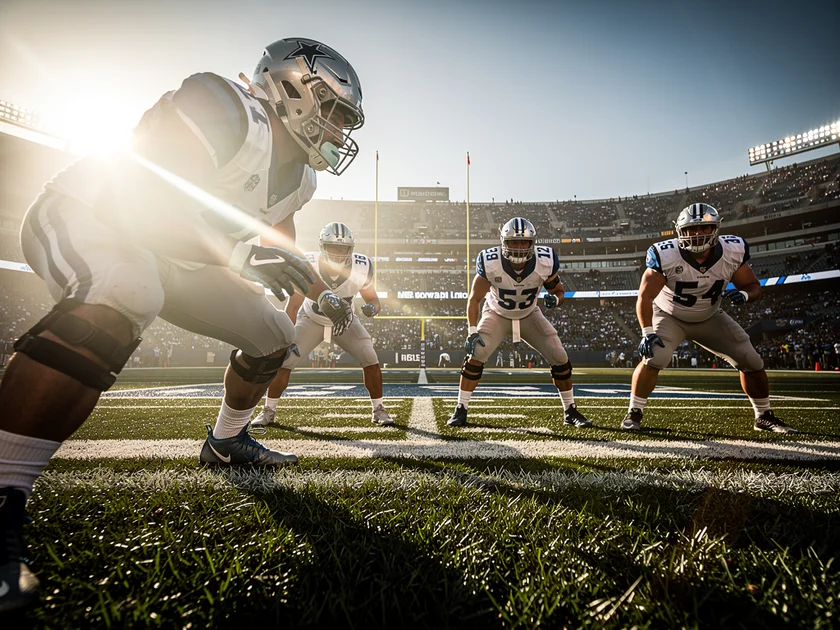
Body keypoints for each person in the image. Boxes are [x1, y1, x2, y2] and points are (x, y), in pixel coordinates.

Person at [0, 37, 365, 612]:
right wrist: (244, 256)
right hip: (92, 213)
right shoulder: (220, 103)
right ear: (294, 88)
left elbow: (280, 246)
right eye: (336, 112)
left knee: (275, 333)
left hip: (184, 257)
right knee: (127, 288)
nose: (341, 132)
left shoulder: (301, 179)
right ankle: (4, 487)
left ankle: (224, 443)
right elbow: (135, 200)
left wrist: (319, 293)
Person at [622, 203, 797, 433]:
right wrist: (647, 332)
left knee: (750, 359)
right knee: (655, 357)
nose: (696, 234)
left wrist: (745, 295)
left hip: (710, 316)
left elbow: (754, 286)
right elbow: (644, 297)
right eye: (690, 230)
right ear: (679, 231)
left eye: (703, 228)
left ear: (715, 228)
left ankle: (763, 416)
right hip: (669, 315)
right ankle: (634, 413)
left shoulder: (732, 251)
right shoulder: (666, 254)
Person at [446, 218, 591, 428]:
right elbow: (474, 299)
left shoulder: (545, 260)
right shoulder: (490, 261)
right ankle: (460, 408)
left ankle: (570, 410)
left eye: (524, 243)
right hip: (497, 313)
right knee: (476, 353)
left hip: (529, 314)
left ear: (532, 243)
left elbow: (559, 292)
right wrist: (472, 330)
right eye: (514, 242)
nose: (520, 247)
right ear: (504, 242)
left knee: (559, 355)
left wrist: (555, 300)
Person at [251, 222, 396, 427]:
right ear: (322, 247)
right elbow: (293, 307)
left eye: (343, 248)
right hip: (311, 319)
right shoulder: (309, 264)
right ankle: (268, 410)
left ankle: (379, 409)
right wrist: (287, 338)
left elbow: (373, 299)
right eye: (333, 247)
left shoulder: (361, 266)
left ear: (351, 249)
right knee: (285, 361)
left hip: (345, 322)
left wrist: (371, 308)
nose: (338, 252)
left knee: (370, 357)